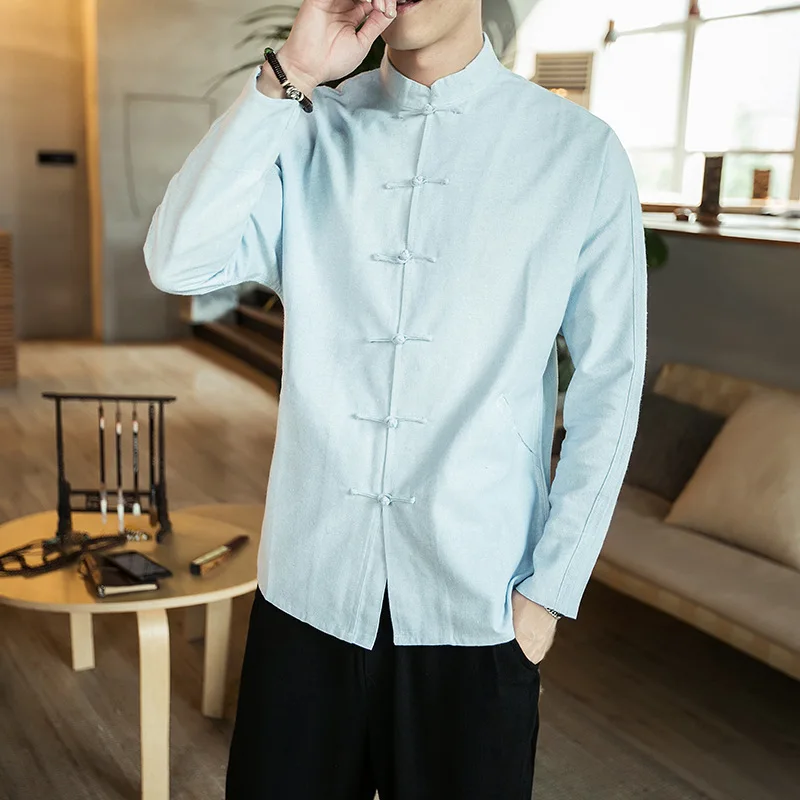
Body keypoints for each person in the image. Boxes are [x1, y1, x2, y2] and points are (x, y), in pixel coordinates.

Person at [144, 0, 648, 797]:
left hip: (478, 606)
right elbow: (178, 262)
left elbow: (610, 384)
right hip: (308, 594)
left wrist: (549, 594)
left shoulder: (576, 153)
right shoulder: (308, 127)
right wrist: (290, 76)